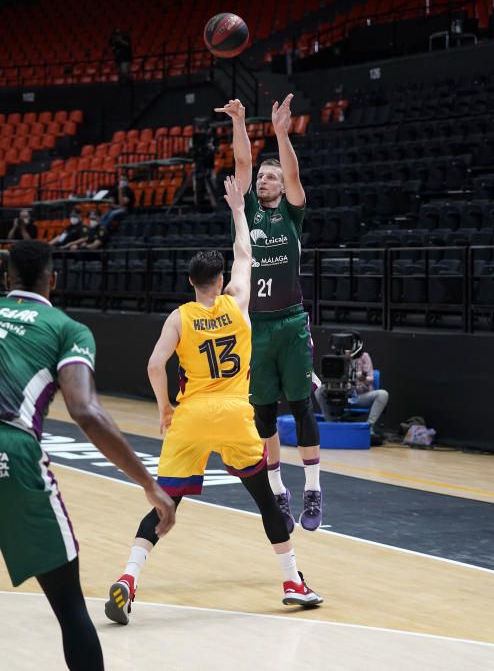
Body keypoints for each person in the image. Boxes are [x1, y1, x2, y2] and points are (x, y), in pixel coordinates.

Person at [104, 176, 323, 625]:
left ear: (189, 281)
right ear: (221, 281)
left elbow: (153, 364)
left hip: (190, 417)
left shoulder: (179, 317)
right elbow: (246, 252)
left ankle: (128, 578)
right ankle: (292, 581)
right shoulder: (237, 303)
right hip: (234, 413)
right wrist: (238, 210)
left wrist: (165, 406)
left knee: (165, 504)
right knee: (265, 501)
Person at [0, 240, 176, 670]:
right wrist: (149, 483)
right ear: (53, 280)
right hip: (11, 451)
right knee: (69, 606)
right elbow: (85, 410)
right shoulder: (66, 328)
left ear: (7, 279)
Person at [214, 96, 322, 534]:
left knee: (301, 406)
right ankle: (278, 491)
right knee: (262, 417)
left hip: (291, 321)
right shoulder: (248, 211)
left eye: (271, 177)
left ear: (283, 186)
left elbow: (294, 173)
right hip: (253, 326)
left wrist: (280, 132)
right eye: (262, 176)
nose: (264, 180)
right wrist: (240, 121)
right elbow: (241, 162)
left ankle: (313, 488)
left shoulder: (292, 215)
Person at [316, 332, 389, 442]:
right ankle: (329, 423)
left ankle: (369, 427)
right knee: (318, 391)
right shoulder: (336, 358)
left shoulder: (364, 357)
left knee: (383, 394)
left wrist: (361, 377)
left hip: (360, 395)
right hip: (340, 393)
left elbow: (370, 379)